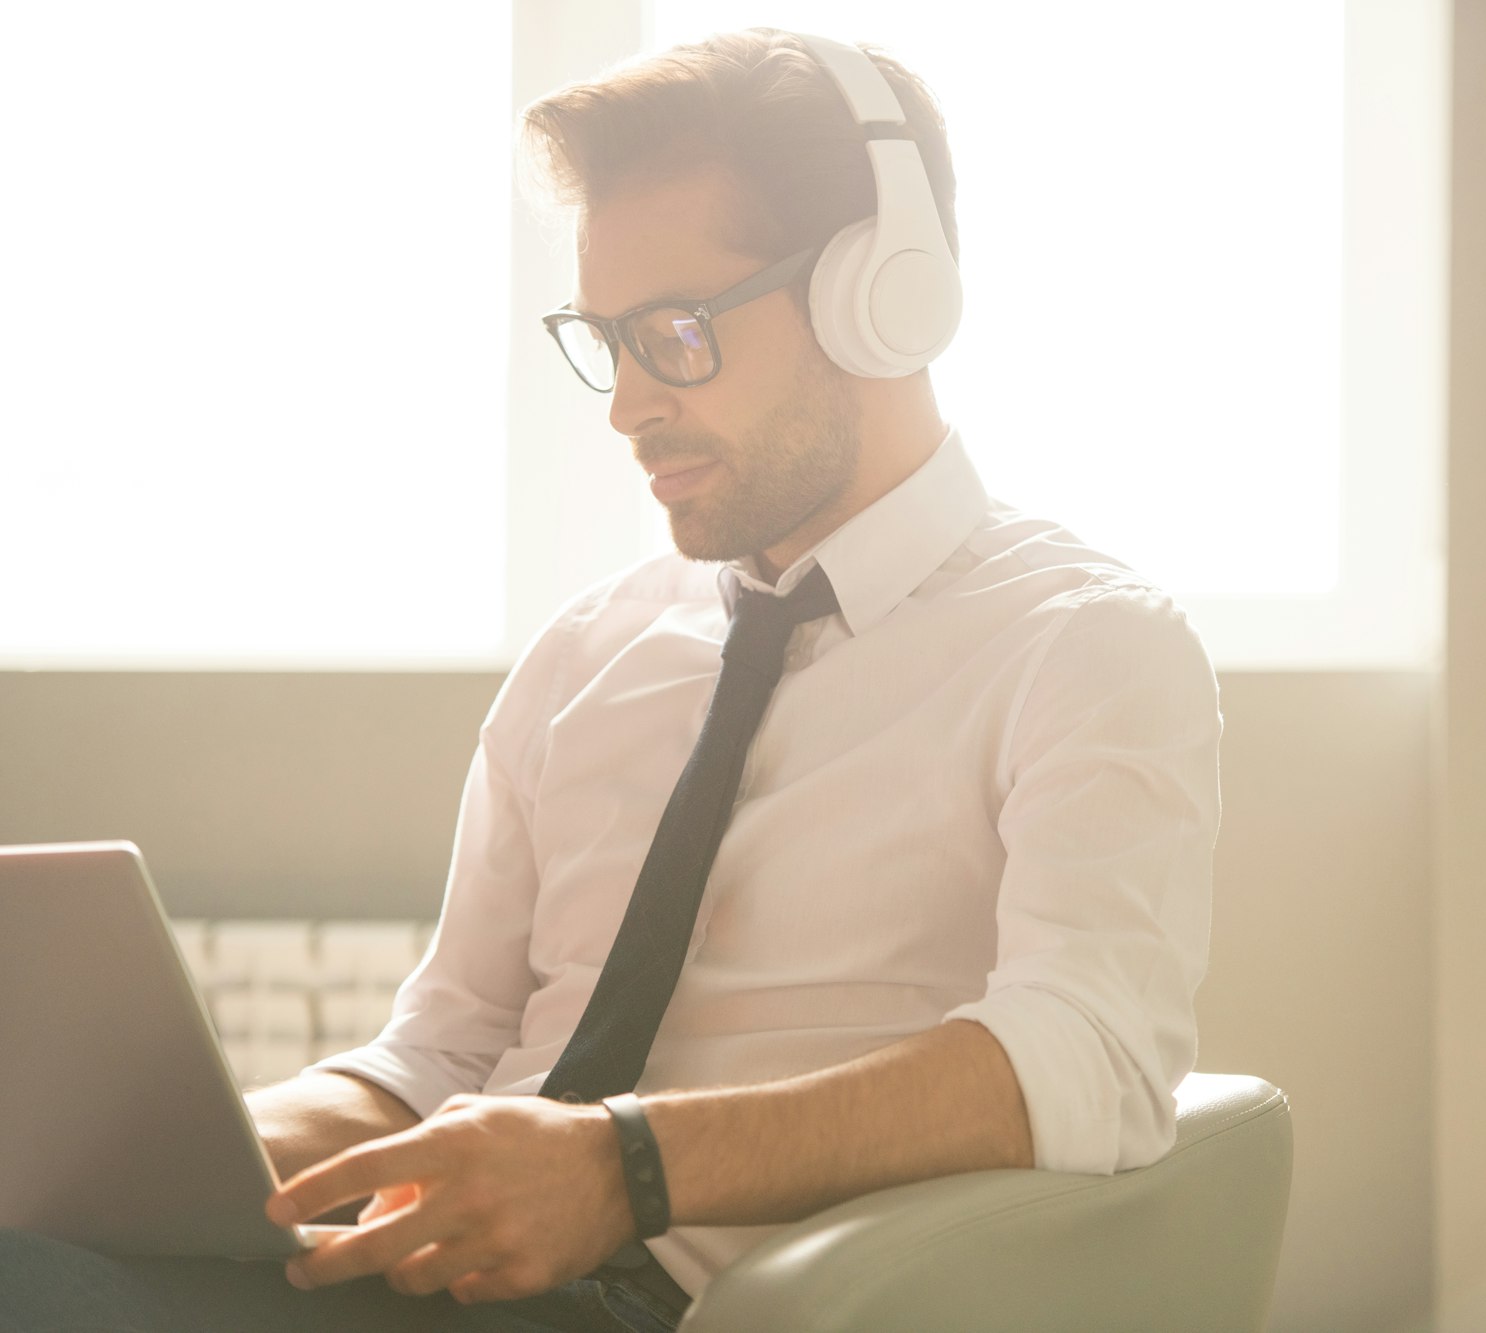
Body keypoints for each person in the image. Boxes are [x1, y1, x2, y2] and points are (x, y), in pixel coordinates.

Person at [0, 27, 1219, 1333]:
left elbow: (1089, 1053)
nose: (627, 404)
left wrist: (622, 1167)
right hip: (443, 1285)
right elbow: (444, 1051)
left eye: (678, 333)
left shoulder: (1084, 645)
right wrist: (190, 1160)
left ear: (884, 293)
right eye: (607, 340)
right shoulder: (587, 655)